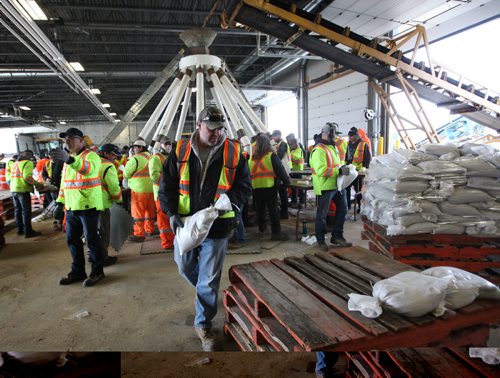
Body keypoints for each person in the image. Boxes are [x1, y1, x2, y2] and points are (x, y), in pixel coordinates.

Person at [160, 106, 251, 351]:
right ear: (198, 124)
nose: (216, 134)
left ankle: (203, 324)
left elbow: (244, 187)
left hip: (217, 224)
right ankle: (205, 296)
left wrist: (229, 203)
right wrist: (170, 212)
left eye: (220, 129)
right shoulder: (180, 150)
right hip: (187, 223)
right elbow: (166, 185)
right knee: (184, 266)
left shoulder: (233, 151)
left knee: (209, 279)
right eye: (211, 129)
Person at [51, 127, 105, 287]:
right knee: (72, 240)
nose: (67, 141)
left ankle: (97, 271)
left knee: (91, 240)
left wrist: (68, 160)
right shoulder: (69, 160)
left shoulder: (92, 156)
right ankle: (78, 272)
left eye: (71, 138)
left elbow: (89, 170)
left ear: (82, 140)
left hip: (89, 207)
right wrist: (60, 203)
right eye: (65, 139)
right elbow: (65, 185)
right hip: (72, 207)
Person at [309, 123, 351, 251]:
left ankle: (337, 236)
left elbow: (337, 164)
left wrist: (343, 168)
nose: (337, 138)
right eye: (335, 135)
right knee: (322, 214)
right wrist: (339, 171)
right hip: (325, 186)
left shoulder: (333, 148)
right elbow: (322, 171)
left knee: (343, 209)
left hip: (337, 185)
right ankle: (320, 240)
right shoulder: (319, 150)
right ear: (328, 133)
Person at [249, 133, 290, 241]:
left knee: (260, 210)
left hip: (256, 188)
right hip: (269, 187)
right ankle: (276, 233)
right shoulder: (271, 156)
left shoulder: (251, 158)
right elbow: (280, 170)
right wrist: (287, 182)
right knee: (273, 210)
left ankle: (262, 230)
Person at [124, 139, 155, 242]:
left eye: (135, 147)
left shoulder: (135, 159)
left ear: (140, 148)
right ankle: (150, 229)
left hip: (139, 191)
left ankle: (139, 234)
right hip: (151, 189)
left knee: (138, 214)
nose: (134, 149)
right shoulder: (151, 156)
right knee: (149, 212)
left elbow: (126, 174)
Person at [97, 144, 123, 266]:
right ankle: (103, 257)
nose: (115, 158)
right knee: (103, 231)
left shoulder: (90, 163)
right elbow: (113, 187)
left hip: (86, 204)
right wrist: (119, 200)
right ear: (106, 153)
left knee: (91, 232)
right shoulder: (107, 166)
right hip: (101, 203)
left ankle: (93, 255)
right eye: (113, 154)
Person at [10, 150, 43, 237]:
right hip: (22, 190)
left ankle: (20, 230)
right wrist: (38, 184)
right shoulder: (28, 163)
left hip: (14, 189)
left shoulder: (16, 163)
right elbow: (27, 177)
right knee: (26, 211)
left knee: (18, 210)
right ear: (30, 156)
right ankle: (28, 231)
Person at [148, 136, 174, 250]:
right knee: (163, 218)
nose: (168, 146)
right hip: (161, 193)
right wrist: (169, 180)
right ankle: (167, 242)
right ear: (160, 145)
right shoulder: (156, 158)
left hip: (171, 192)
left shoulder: (170, 156)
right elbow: (154, 176)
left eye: (170, 143)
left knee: (170, 217)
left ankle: (172, 239)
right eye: (166, 144)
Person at [345, 127, 371, 212]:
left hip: (359, 173)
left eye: (351, 136)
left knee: (359, 191)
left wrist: (365, 169)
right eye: (349, 136)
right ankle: (347, 206)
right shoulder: (347, 144)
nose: (349, 138)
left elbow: (367, 158)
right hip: (349, 172)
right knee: (346, 189)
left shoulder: (363, 144)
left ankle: (361, 207)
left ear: (356, 135)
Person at [271, 130, 291, 219]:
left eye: (274, 136)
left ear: (278, 135)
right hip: (280, 171)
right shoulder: (278, 144)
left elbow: (279, 156)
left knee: (283, 193)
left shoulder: (283, 144)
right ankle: (282, 212)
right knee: (281, 192)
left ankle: (284, 213)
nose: (273, 138)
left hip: (283, 171)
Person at [289, 137, 306, 207]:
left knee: (300, 187)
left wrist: (288, 154)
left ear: (295, 144)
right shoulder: (292, 150)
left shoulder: (299, 150)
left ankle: (302, 201)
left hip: (298, 171)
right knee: (293, 187)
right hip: (293, 170)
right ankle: (294, 201)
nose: (290, 146)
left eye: (291, 144)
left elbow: (295, 157)